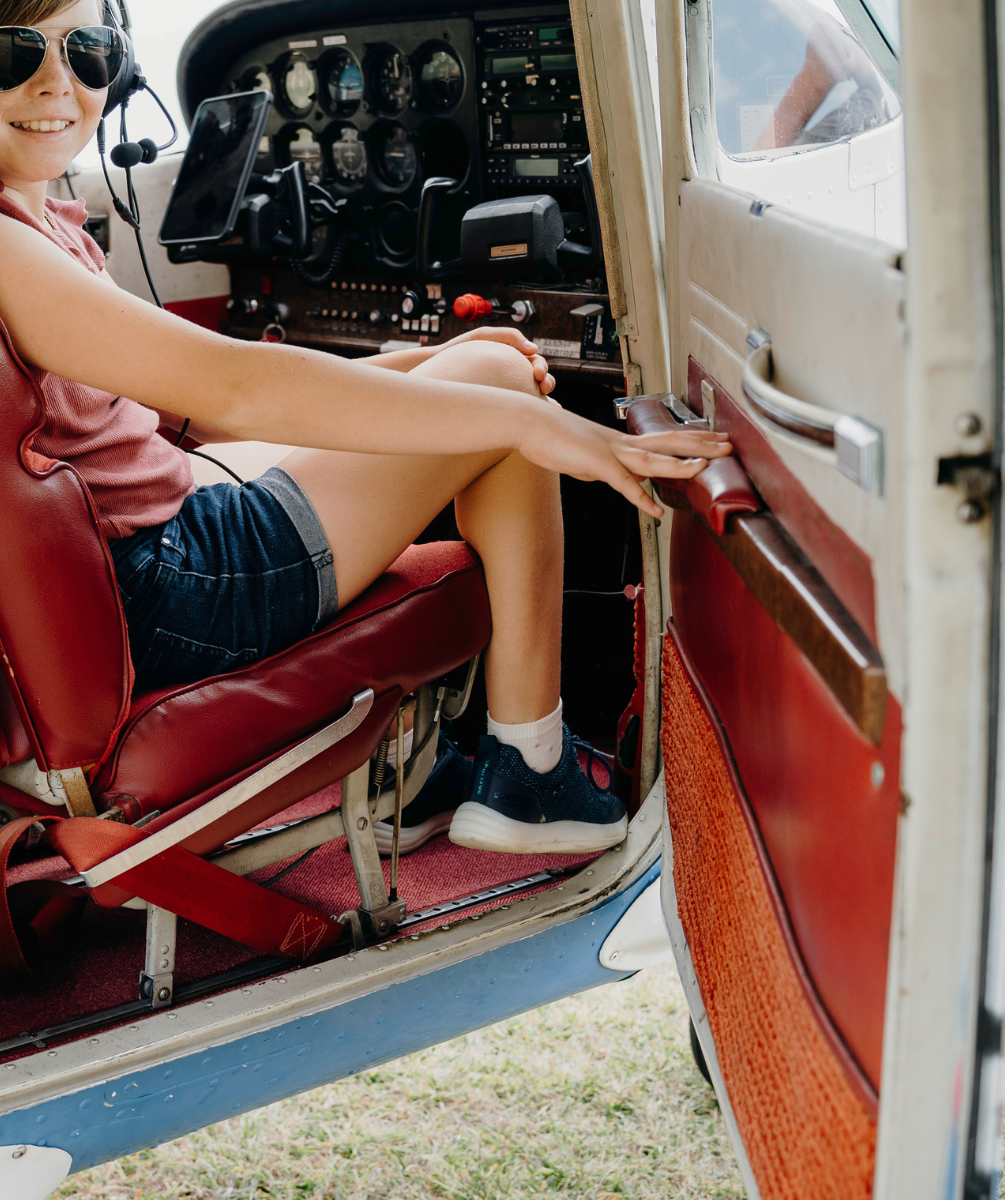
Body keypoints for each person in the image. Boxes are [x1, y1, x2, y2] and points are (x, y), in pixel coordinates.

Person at [0, 0, 730, 855]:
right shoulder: (13, 254)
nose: (59, 83)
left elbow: (177, 413)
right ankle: (531, 771)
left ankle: (425, 775)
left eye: (89, 50)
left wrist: (412, 365)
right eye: (16, 51)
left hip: (138, 549)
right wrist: (533, 421)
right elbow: (234, 389)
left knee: (472, 386)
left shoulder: (33, 222)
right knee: (499, 383)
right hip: (178, 588)